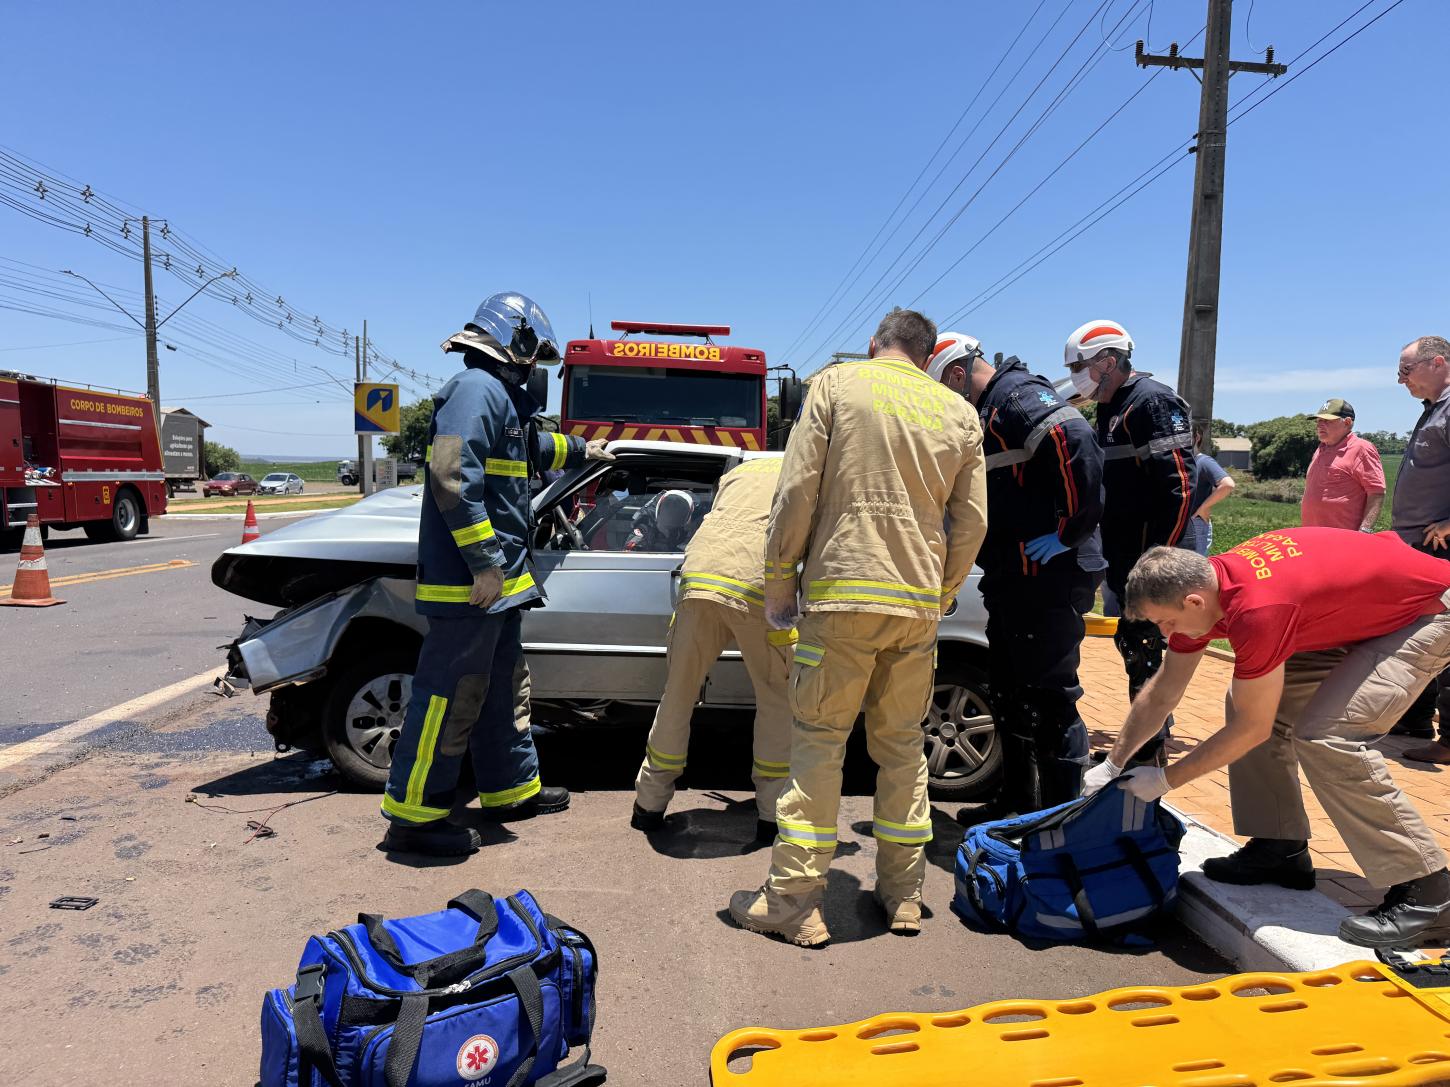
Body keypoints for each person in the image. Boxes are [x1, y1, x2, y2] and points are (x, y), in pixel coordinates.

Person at [728, 308, 987, 946]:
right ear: (928, 357)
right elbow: (973, 521)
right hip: (915, 606)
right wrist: (942, 591)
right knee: (902, 749)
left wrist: (780, 579)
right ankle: (902, 895)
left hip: (842, 595)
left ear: (875, 344)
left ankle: (794, 900)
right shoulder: (958, 412)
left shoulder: (837, 386)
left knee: (819, 744)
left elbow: (795, 493)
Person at [1084, 533, 1450, 947]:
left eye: (1165, 622)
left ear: (1193, 601)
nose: (1165, 632)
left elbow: (1250, 729)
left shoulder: (1257, 609)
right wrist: (1114, 763)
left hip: (1427, 610)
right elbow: (1165, 689)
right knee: (1250, 705)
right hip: (1358, 612)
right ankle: (1280, 848)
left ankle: (1428, 891)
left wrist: (1166, 781)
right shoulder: (1206, 590)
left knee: (1328, 736)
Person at [380, 292, 610, 856]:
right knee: (450, 694)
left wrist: (586, 450)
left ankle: (511, 790)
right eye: (535, 358)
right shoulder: (476, 390)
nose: (536, 372)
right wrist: (484, 565)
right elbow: (452, 476)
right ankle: (414, 816)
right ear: (517, 341)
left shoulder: (499, 400)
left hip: (498, 586)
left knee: (503, 688)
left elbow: (531, 447)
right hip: (471, 587)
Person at [927, 333, 1102, 815]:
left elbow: (1077, 441)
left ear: (958, 374)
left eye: (943, 385)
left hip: (1049, 575)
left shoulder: (1017, 397)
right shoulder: (991, 412)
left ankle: (1058, 819)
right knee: (1010, 691)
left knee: (1048, 698)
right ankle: (1017, 802)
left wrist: (1069, 531)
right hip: (1014, 576)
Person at [631, 458, 794, 840]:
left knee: (679, 694)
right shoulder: (810, 469)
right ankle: (771, 816)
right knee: (775, 698)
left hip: (700, 574)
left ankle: (648, 805)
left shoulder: (741, 471)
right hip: (757, 580)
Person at [1064, 320, 1197, 766]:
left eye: (1079, 366)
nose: (1077, 375)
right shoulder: (1111, 405)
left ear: (1108, 361)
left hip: (1151, 558)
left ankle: (1148, 752)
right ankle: (1146, 739)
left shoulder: (1153, 401)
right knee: (1133, 646)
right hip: (1124, 556)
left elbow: (1180, 484)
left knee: (1144, 649)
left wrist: (1161, 559)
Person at [1388, 337, 1450, 760]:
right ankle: (1414, 720)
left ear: (1439, 363)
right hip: (1417, 547)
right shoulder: (1433, 410)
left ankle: (1449, 740)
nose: (1400, 379)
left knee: (1444, 639)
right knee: (1419, 634)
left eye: (1406, 370)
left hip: (1440, 547)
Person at [1300, 398, 1385, 532]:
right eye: (1319, 420)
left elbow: (1377, 493)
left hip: (1343, 539)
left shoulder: (1361, 449)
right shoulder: (1320, 449)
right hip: (1311, 535)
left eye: (1327, 420)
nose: (1320, 425)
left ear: (1347, 422)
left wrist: (1364, 530)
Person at [1179, 424, 1234, 556]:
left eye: (1186, 436)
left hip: (1195, 524)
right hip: (1184, 523)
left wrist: (1203, 508)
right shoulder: (1185, 462)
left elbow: (1227, 484)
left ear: (1196, 437)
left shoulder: (1203, 461)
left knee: (1194, 569)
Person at [623, 489, 696, 551]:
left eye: (679, 510)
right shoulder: (643, 531)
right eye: (668, 507)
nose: (671, 513)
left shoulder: (688, 533)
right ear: (659, 510)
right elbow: (628, 558)